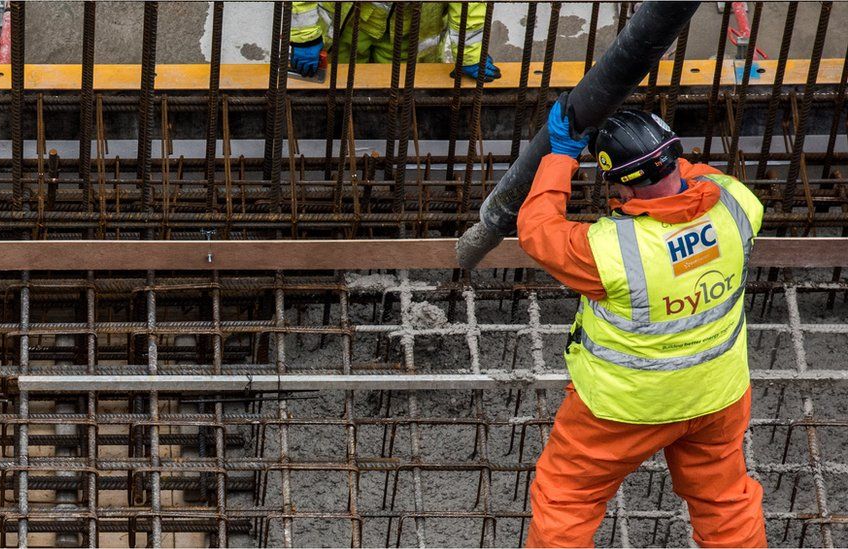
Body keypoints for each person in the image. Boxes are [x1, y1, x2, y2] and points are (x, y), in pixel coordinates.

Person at [516, 95, 768, 548]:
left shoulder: (608, 252)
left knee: (567, 499)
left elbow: (537, 228)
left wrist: (560, 157)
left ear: (621, 187)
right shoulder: (739, 205)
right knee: (725, 503)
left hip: (623, 409)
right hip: (717, 396)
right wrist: (647, 151)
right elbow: (695, 176)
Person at [289, 2, 500, 81]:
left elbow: (470, 5)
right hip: (348, 20)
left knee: (396, 98)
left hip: (408, 27)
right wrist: (305, 37)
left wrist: (470, 54)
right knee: (337, 89)